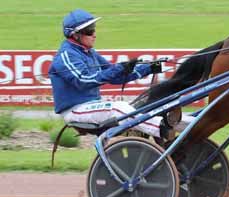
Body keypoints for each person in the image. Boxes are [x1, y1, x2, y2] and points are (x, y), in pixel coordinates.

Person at [49, 9, 186, 139]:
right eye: (89, 31)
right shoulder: (66, 56)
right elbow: (83, 81)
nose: (94, 34)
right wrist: (118, 69)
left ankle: (191, 126)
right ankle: (161, 128)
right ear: (75, 35)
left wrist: (149, 68)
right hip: (75, 111)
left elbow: (116, 77)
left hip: (91, 106)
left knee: (140, 106)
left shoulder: (89, 52)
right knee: (118, 108)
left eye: (94, 29)